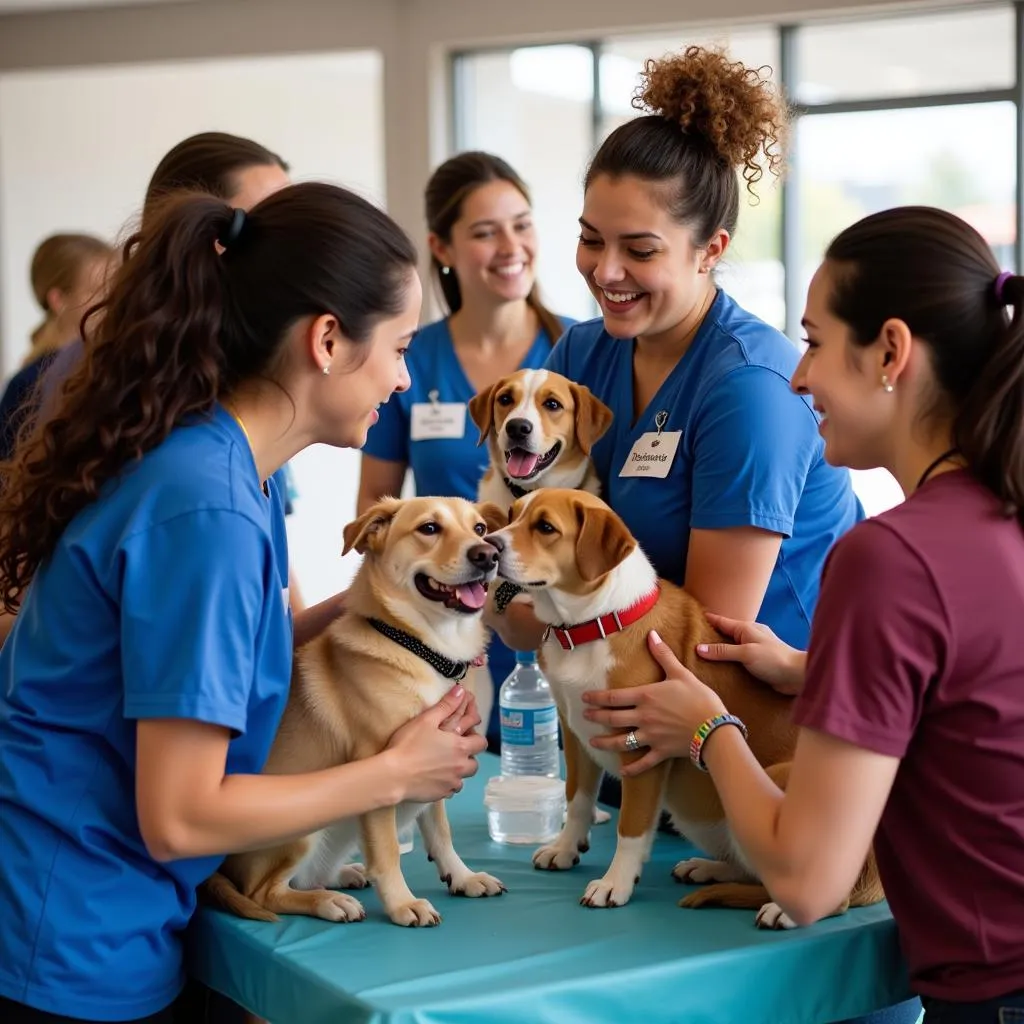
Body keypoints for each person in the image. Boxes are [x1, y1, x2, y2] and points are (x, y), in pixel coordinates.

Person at [489, 47, 918, 1024]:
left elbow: (693, 639)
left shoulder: (749, 393)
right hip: (663, 762)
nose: (604, 271)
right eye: (590, 239)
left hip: (777, 762)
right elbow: (536, 551)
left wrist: (527, 602)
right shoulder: (584, 351)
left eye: (637, 250)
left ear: (712, 247)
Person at [0, 182, 487, 1023]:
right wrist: (391, 773)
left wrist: (362, 611)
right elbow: (181, 817)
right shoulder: (209, 509)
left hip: (103, 915)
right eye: (401, 349)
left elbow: (189, 669)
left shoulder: (226, 467)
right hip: (67, 936)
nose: (405, 381)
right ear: (328, 340)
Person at [582, 208, 1024, 1023]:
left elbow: (807, 880)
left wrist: (710, 730)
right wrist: (813, 669)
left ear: (890, 352)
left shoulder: (892, 558)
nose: (798, 378)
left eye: (815, 343)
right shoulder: (1001, 516)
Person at [359, 150, 575, 746]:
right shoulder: (408, 360)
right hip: (443, 654)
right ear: (443, 248)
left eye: (522, 223)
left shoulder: (580, 354)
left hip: (561, 647)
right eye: (485, 232)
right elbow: (373, 523)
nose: (511, 245)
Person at [0, 232, 114, 462]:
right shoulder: (29, 383)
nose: (111, 301)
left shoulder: (114, 363)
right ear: (58, 300)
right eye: (97, 290)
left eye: (114, 288)